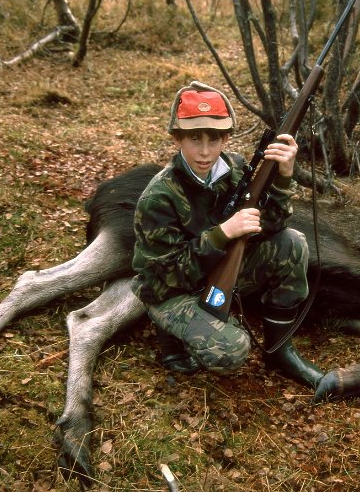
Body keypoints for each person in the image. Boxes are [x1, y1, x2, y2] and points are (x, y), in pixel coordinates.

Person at [131, 81, 324, 389]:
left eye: (215, 138)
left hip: (215, 270)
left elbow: (270, 225)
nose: (205, 151)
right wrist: (221, 235)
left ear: (227, 138)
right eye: (194, 139)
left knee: (292, 243)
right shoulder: (159, 195)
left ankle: (279, 350)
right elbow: (160, 278)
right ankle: (170, 331)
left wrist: (283, 178)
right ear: (177, 138)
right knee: (232, 350)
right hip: (170, 291)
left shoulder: (235, 168)